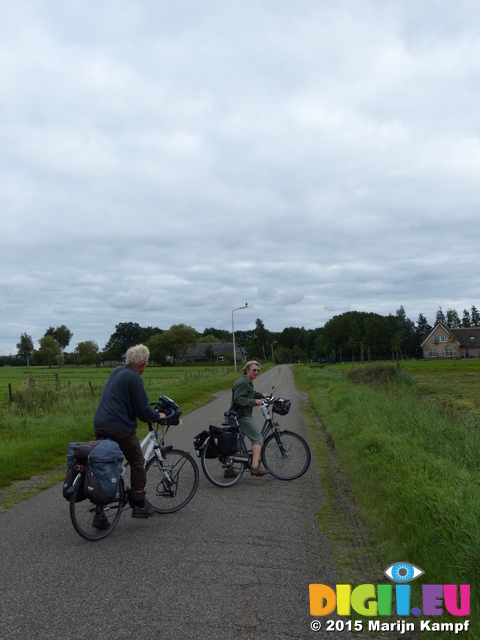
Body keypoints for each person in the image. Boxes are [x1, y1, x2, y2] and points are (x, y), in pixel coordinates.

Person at [93, 344, 165, 520]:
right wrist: (157, 416)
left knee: (108, 465)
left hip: (100, 424)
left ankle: (99, 513)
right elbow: (143, 411)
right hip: (119, 428)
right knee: (137, 461)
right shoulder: (134, 378)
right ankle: (139, 502)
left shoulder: (117, 371)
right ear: (143, 363)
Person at [231, 360, 269, 476]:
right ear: (247, 370)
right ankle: (255, 466)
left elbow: (249, 393)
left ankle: (229, 469)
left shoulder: (248, 381)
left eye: (258, 370)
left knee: (238, 444)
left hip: (240, 414)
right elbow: (238, 398)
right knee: (257, 438)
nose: (256, 372)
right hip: (242, 415)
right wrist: (254, 401)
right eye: (254, 370)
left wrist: (261, 395)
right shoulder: (243, 382)